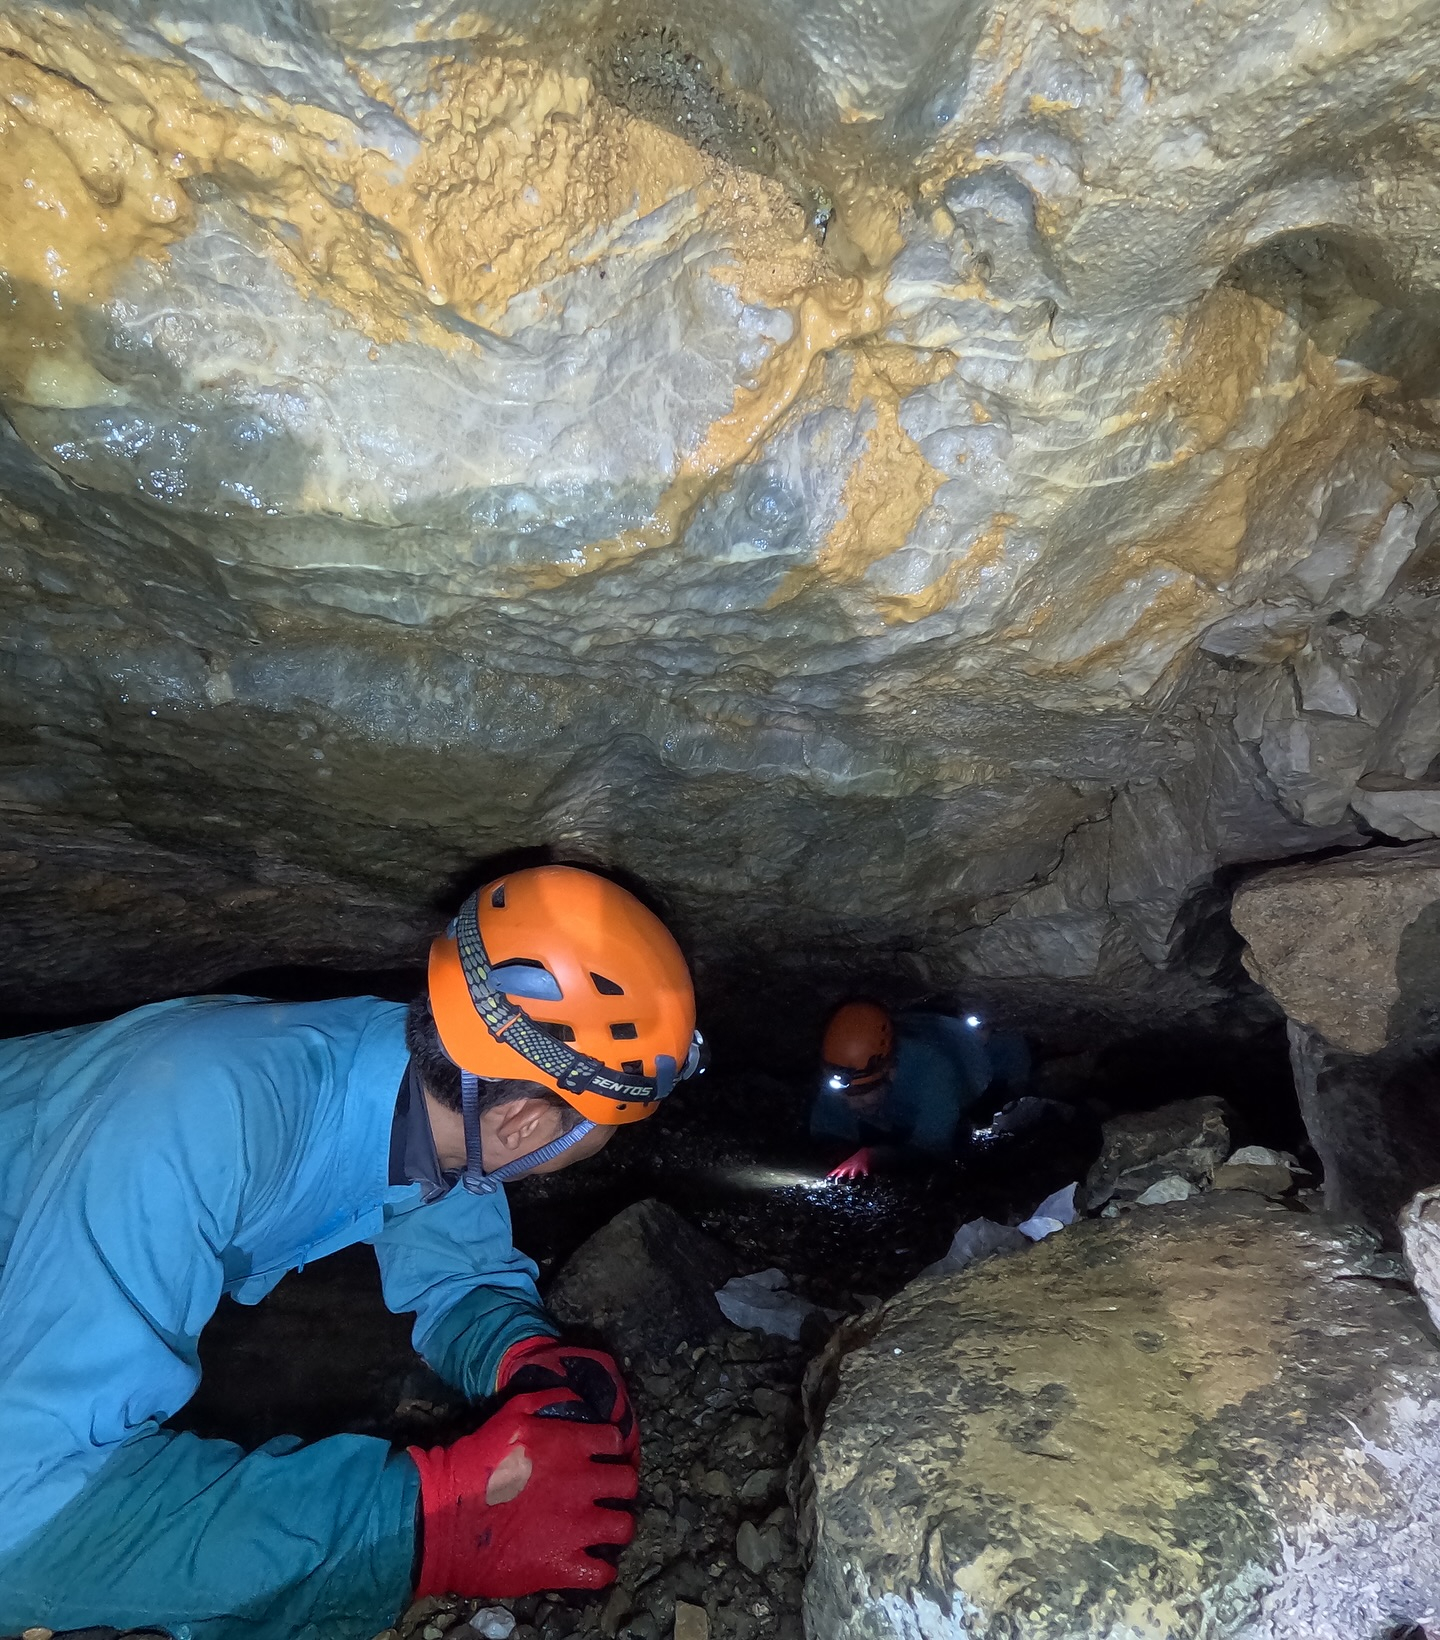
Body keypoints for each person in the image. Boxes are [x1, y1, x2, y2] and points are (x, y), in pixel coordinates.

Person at [0, 865, 704, 1640]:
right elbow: (18, 1518)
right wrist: (420, 1523)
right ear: (528, 1127)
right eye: (605, 1130)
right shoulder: (200, 1121)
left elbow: (450, 1253)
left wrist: (523, 1354)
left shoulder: (422, 1088)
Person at [811, 1000, 1030, 1178]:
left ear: (891, 1071)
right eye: (846, 1094)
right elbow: (827, 1135)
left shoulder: (934, 1070)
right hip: (915, 1025)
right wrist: (838, 1153)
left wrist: (874, 1156)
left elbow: (932, 1150)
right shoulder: (845, 1067)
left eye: (863, 1094)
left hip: (977, 1057)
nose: (852, 1104)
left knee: (988, 1120)